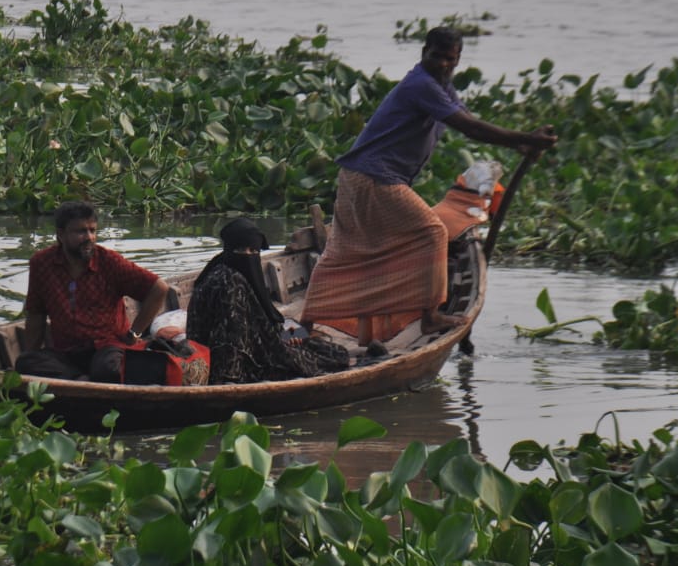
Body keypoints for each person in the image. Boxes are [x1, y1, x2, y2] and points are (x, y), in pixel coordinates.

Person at [300, 27, 558, 346]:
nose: (443, 64)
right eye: (437, 57)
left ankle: (310, 319)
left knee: (349, 247)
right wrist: (524, 138)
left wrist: (520, 145)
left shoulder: (441, 85)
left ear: (458, 60)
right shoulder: (421, 83)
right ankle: (430, 316)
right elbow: (470, 127)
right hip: (374, 177)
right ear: (424, 53)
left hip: (362, 176)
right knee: (431, 232)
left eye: (451, 60)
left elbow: (466, 117)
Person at [16, 200, 170, 382]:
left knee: (108, 370)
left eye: (92, 230)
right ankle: (81, 380)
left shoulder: (109, 262)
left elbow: (159, 288)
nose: (89, 237)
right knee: (25, 363)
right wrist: (32, 356)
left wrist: (134, 333)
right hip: (66, 353)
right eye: (81, 231)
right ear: (61, 235)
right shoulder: (42, 264)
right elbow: (36, 314)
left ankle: (78, 381)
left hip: (107, 347)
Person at [187, 218, 350, 383]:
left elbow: (269, 320)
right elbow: (231, 343)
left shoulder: (233, 273)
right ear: (229, 250)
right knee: (328, 359)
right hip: (238, 361)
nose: (248, 256)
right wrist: (230, 380)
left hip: (261, 343)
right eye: (242, 250)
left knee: (333, 351)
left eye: (254, 251)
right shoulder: (228, 282)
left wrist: (290, 331)